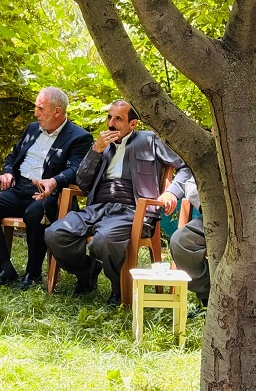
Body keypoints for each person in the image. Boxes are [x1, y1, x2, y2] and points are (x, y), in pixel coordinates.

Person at [44, 99, 192, 307]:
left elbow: (186, 166)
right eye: (109, 117)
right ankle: (87, 272)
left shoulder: (149, 140)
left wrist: (172, 193)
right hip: (97, 208)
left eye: (118, 119)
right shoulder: (102, 145)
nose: (111, 123)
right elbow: (82, 183)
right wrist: (95, 151)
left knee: (103, 240)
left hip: (133, 210)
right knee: (54, 233)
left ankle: (118, 288)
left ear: (133, 124)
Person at [0, 87, 93, 288]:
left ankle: (33, 273)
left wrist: (54, 181)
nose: (36, 113)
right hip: (19, 188)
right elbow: (13, 157)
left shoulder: (79, 137)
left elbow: (75, 170)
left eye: (40, 109)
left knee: (35, 213)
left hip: (49, 195)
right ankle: (5, 268)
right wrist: (9, 172)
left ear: (57, 111)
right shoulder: (32, 129)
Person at [169, 177, 209, 316]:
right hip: (215, 215)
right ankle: (208, 301)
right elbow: (191, 183)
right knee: (180, 241)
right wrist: (208, 203)